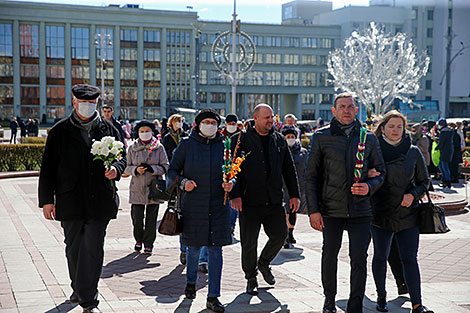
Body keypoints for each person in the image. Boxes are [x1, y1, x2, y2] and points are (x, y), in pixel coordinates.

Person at [38, 84, 127, 313]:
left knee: (93, 247)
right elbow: (47, 168)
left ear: (97, 104)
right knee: (74, 248)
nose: (87, 107)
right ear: (74, 102)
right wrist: (47, 200)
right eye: (83, 102)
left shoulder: (109, 129)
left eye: (92, 103)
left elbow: (122, 157)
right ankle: (79, 288)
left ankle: (89, 300)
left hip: (100, 200)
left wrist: (116, 169)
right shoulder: (59, 131)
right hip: (70, 199)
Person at [305, 92, 385, 313]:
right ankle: (329, 300)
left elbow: (381, 173)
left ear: (356, 110)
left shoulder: (368, 137)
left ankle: (355, 304)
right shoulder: (321, 136)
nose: (347, 110)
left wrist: (370, 186)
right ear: (334, 110)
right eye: (342, 106)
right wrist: (313, 210)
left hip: (361, 210)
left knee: (359, 258)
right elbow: (311, 176)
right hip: (331, 209)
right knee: (329, 254)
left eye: (351, 106)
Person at [229, 104, 300, 296]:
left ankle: (264, 262)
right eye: (266, 117)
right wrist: (234, 195)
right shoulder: (239, 140)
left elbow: (289, 169)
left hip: (274, 200)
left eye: (272, 117)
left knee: (280, 235)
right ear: (255, 118)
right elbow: (231, 171)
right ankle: (251, 278)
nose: (270, 121)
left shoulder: (278, 139)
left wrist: (295, 194)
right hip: (248, 201)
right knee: (249, 242)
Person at [167, 108, 232, 313]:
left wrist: (232, 183)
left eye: (214, 122)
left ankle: (213, 296)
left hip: (219, 206)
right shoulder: (187, 144)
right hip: (193, 204)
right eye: (206, 122)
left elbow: (235, 171)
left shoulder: (225, 146)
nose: (210, 125)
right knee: (193, 248)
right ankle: (191, 283)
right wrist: (183, 182)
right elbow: (172, 171)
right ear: (197, 124)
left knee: (216, 251)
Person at [369, 110, 433, 313]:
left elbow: (425, 182)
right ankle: (381, 298)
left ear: (404, 129)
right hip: (380, 213)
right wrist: (367, 174)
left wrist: (413, 195)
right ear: (383, 129)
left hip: (408, 214)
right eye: (391, 126)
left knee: (409, 259)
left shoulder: (413, 151)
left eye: (399, 126)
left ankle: (417, 304)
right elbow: (359, 177)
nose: (395, 130)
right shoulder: (374, 150)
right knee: (380, 256)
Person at [124, 120, 169, 255]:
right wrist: (136, 170)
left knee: (151, 218)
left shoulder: (159, 147)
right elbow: (126, 167)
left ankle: (149, 243)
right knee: (137, 217)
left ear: (152, 132)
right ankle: (138, 239)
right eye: (142, 131)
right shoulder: (132, 148)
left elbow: (165, 166)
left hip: (153, 189)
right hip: (137, 187)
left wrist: (152, 169)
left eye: (147, 131)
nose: (145, 134)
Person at [162, 113, 188, 264]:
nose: (179, 123)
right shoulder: (167, 138)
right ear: (171, 123)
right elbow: (165, 157)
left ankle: (185, 250)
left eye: (181, 121)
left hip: (186, 175)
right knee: (177, 210)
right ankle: (183, 250)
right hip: (173, 175)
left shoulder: (187, 136)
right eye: (177, 121)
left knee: (185, 213)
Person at [282, 128, 307, 249]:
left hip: (299, 186)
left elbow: (307, 167)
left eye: (292, 136)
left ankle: (290, 232)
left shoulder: (303, 152)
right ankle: (285, 234)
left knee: (293, 210)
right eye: (288, 137)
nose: (290, 139)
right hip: (283, 186)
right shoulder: (280, 150)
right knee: (286, 209)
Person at [435, 118, 454, 188]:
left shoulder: (443, 131)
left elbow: (442, 142)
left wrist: (437, 147)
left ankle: (446, 181)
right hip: (449, 150)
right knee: (442, 165)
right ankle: (446, 180)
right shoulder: (450, 130)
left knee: (443, 166)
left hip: (444, 151)